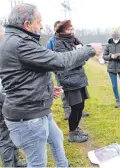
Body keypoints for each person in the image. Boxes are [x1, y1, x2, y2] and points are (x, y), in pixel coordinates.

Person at [0, 3, 102, 167]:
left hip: (37, 110)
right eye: (39, 21)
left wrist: (46, 89)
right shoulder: (20, 44)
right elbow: (59, 61)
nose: (41, 26)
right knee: (38, 163)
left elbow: (26, 74)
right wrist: (89, 49)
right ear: (27, 24)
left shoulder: (17, 40)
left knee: (57, 139)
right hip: (28, 116)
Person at [54, 20, 89, 143]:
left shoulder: (74, 41)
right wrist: (80, 59)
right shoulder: (59, 44)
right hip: (70, 80)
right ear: (62, 31)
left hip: (79, 78)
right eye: (69, 29)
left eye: (72, 29)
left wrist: (81, 57)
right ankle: (72, 133)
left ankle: (76, 128)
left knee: (81, 106)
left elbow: (83, 56)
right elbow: (67, 62)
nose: (72, 31)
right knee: (75, 107)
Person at [0, 26, 27, 167]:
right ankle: (9, 165)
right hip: (2, 96)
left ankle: (15, 162)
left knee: (11, 132)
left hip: (6, 95)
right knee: (4, 135)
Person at [46, 20, 71, 120]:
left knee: (74, 90)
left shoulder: (68, 38)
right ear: (55, 29)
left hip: (70, 69)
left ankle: (76, 110)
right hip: (59, 71)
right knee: (63, 90)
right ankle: (67, 112)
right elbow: (48, 56)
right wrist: (55, 70)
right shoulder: (51, 41)